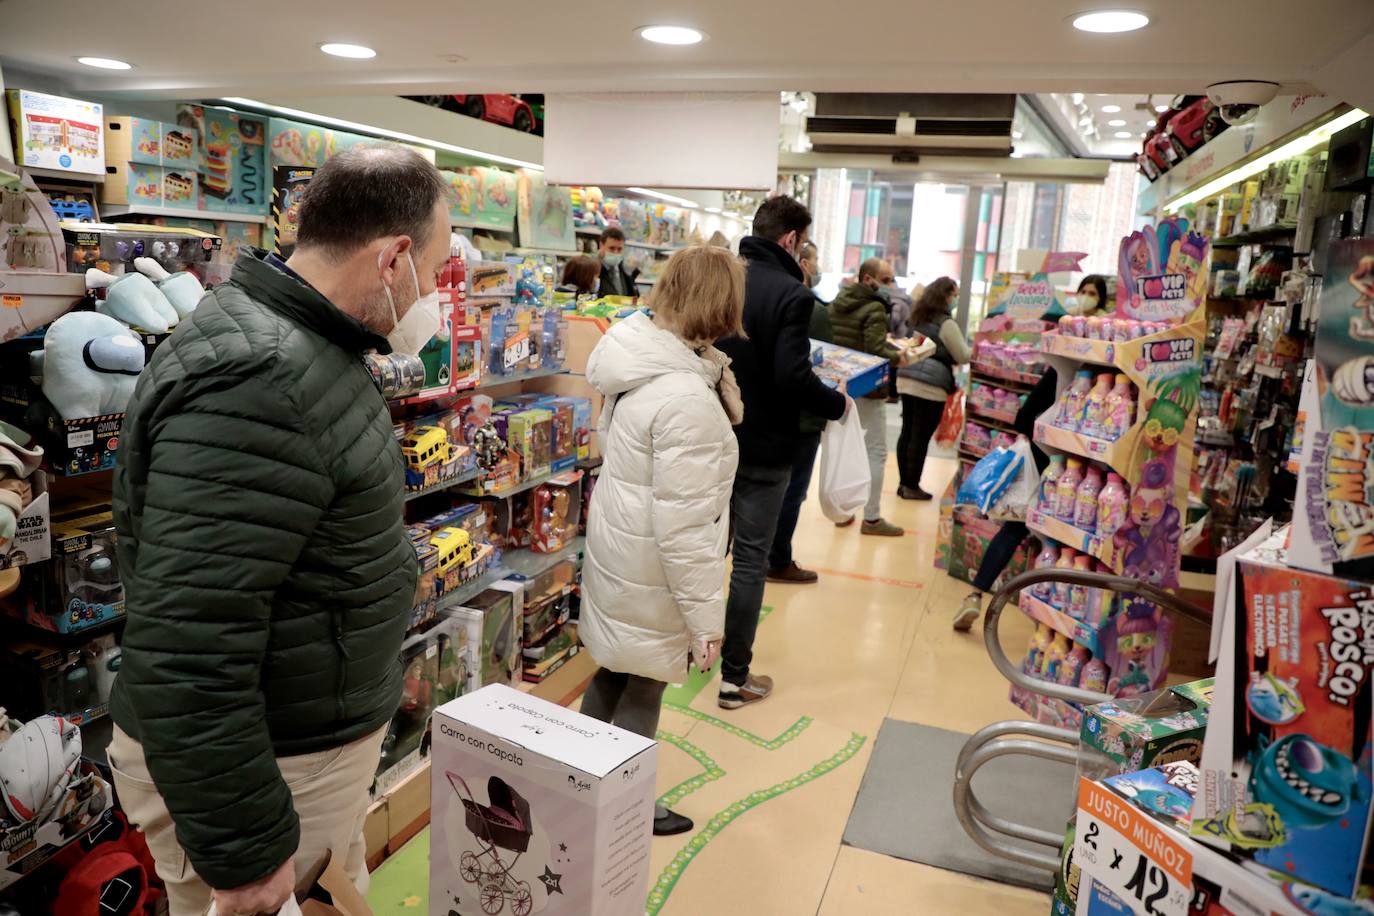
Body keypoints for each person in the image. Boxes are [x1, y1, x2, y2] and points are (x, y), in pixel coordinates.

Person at [108, 144, 448, 916]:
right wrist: (247, 848)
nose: (432, 294)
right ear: (393, 258)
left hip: (299, 748)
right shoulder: (265, 379)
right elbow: (192, 637)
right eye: (432, 269)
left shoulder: (302, 345)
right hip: (267, 771)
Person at [579, 245, 745, 836]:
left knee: (613, 670)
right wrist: (706, 623)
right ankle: (623, 811)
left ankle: (581, 789)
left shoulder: (632, 359)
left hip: (621, 547)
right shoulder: (685, 399)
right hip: (652, 565)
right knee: (643, 687)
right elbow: (687, 530)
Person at [715, 197, 848, 709]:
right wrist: (835, 403)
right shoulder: (792, 295)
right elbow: (790, 376)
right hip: (764, 446)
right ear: (791, 239)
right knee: (750, 561)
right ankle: (733, 679)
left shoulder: (721, 279)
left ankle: (687, 657)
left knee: (704, 553)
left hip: (708, 439)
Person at [952, 275, 1107, 629]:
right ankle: (1053, 614)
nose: (1085, 298)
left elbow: (1024, 416)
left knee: (1013, 528)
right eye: (1082, 291)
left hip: (1042, 459)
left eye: (1092, 294)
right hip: (1084, 474)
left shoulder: (1062, 364)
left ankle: (975, 595)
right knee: (1067, 544)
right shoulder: (1102, 374)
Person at [767, 240, 831, 584]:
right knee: (792, 491)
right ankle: (778, 559)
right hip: (802, 416)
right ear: (802, 262)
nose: (818, 267)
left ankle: (767, 553)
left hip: (761, 412)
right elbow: (817, 367)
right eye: (816, 260)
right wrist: (834, 404)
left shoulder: (753, 294)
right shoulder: (810, 307)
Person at [828, 257, 905, 536]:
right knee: (875, 452)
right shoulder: (874, 307)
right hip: (868, 388)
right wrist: (900, 357)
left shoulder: (839, 301)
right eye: (886, 280)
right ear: (868, 279)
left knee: (845, 449)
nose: (890, 285)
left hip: (840, 385)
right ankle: (871, 518)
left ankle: (843, 511)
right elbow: (876, 350)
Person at [894, 277, 972, 500]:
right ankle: (911, 486)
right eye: (954, 295)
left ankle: (904, 483)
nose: (956, 299)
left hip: (907, 376)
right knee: (920, 436)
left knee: (908, 432)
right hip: (931, 383)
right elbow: (963, 355)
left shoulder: (918, 316)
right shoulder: (946, 323)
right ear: (945, 296)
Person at [597, 226, 639, 296]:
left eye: (619, 249)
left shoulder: (625, 270)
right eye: (611, 248)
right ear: (601, 245)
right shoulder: (594, 271)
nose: (615, 253)